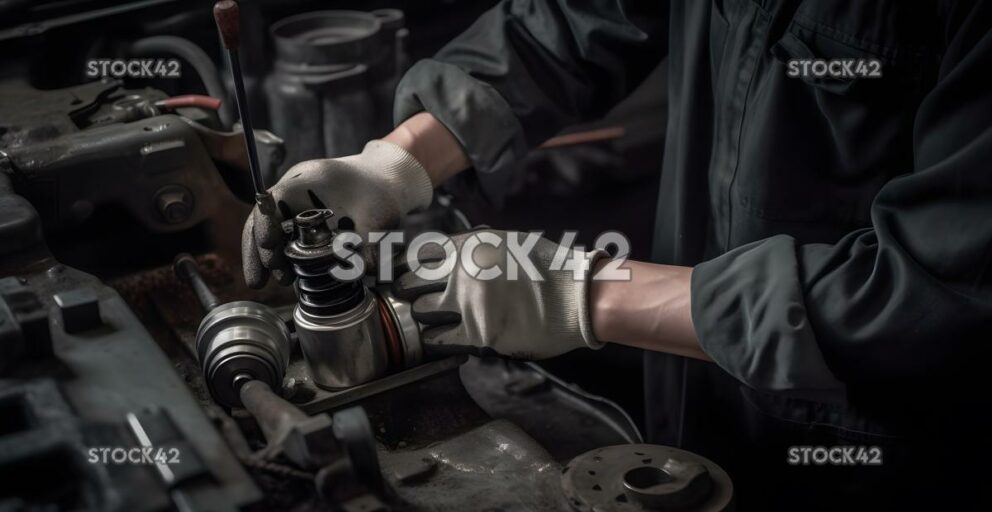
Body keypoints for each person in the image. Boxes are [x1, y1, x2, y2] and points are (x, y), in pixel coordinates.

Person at [243, 1, 992, 509]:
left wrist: (580, 293)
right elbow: (580, 15)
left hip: (877, 446)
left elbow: (938, 293)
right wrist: (398, 160)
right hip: (695, 394)